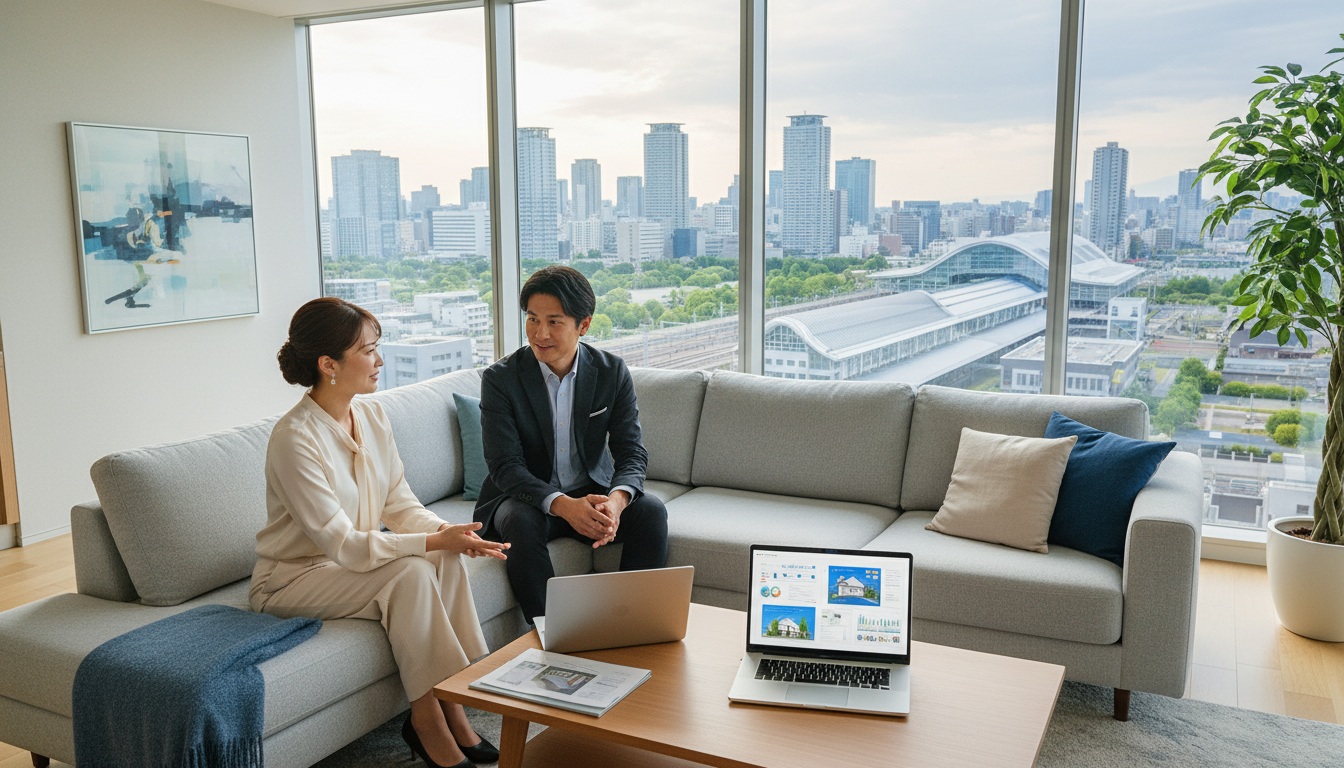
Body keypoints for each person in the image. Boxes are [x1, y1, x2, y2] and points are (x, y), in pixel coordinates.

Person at [250, 297, 508, 768]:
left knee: (440, 554)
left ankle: (455, 706)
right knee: (411, 570)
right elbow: (343, 543)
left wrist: (448, 534)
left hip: (347, 568)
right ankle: (427, 722)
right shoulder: (295, 438)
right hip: (292, 579)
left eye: (378, 347)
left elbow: (399, 503)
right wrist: (431, 541)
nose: (380, 361)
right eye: (369, 351)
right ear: (329, 364)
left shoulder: (371, 415)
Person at [474, 265, 669, 623]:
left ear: (584, 325)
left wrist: (616, 501)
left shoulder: (611, 372)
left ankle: (634, 625)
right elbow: (505, 467)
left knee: (651, 512)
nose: (539, 333)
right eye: (532, 319)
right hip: (527, 500)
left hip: (591, 492)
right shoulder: (501, 380)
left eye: (554, 321)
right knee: (519, 520)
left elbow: (632, 450)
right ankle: (553, 634)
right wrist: (564, 506)